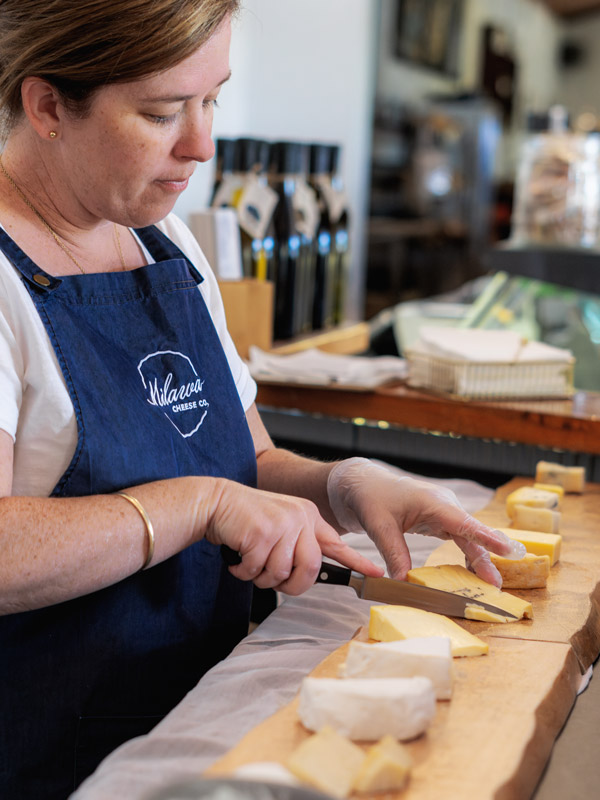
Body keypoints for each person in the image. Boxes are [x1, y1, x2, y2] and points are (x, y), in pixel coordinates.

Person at [0, 1, 524, 797]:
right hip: (47, 755)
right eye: (162, 112)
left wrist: (340, 484)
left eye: (213, 100)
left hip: (195, 717)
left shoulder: (164, 243)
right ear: (45, 106)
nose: (201, 145)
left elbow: (252, 461)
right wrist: (199, 505)